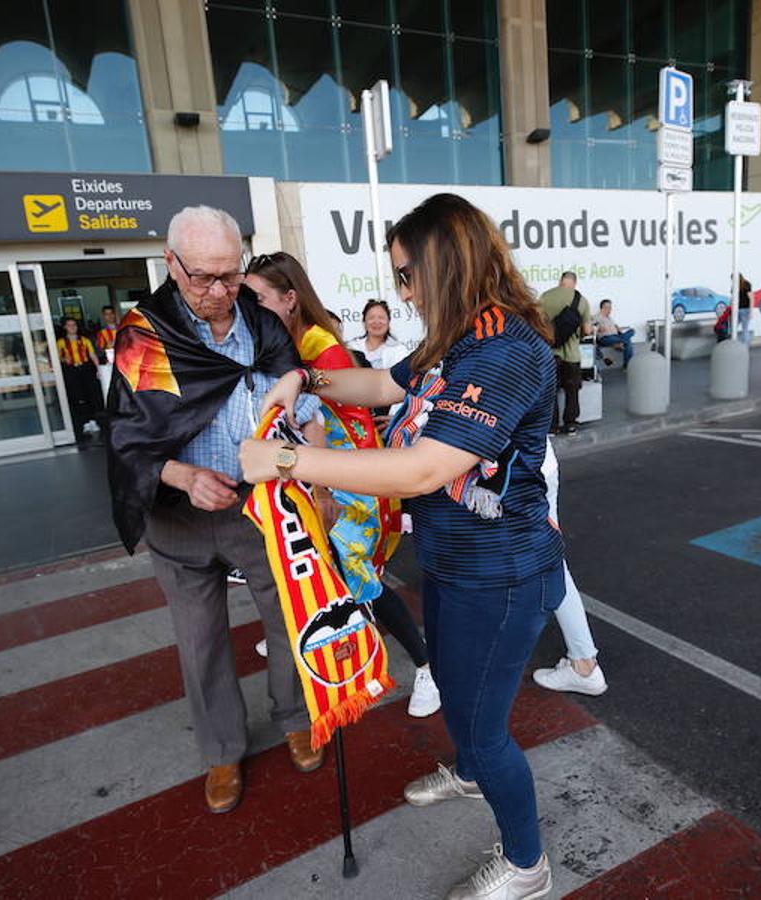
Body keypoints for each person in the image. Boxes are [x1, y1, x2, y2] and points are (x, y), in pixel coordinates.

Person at [241, 193, 563, 900]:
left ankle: (527, 865)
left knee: (483, 728)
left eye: (408, 276)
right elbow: (382, 384)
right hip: (453, 564)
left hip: (503, 576)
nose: (401, 292)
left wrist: (288, 462)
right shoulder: (458, 335)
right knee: (453, 688)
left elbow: (422, 468)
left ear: (445, 267)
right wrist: (304, 377)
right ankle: (473, 774)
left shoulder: (505, 349)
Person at [104, 206, 326, 817]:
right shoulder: (145, 335)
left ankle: (295, 716)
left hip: (259, 508)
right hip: (180, 514)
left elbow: (296, 387)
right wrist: (180, 475)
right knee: (199, 640)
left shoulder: (261, 322)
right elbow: (127, 437)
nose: (219, 292)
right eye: (202, 277)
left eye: (230, 275)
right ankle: (223, 749)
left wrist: (316, 448)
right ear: (172, 264)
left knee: (289, 619)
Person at [243, 250, 441, 719]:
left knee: (361, 578)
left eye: (257, 297)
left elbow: (352, 417)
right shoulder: (281, 342)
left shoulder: (318, 347)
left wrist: (324, 487)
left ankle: (427, 665)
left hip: (346, 482)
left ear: (290, 298)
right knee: (328, 571)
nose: (247, 307)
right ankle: (313, 634)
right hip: (316, 475)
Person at [531, 439, 607, 696]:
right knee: (549, 564)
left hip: (518, 476)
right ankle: (583, 662)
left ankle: (584, 664)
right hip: (527, 470)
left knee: (549, 564)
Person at [539, 271, 590, 435]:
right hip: (572, 355)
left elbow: (536, 324)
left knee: (549, 392)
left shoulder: (545, 297)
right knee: (572, 390)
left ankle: (551, 427)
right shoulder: (581, 301)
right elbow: (587, 330)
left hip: (548, 354)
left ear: (560, 281)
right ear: (574, 283)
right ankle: (570, 425)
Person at [56, 316, 103, 444]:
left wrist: (99, 369)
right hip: (71, 370)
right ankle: (84, 422)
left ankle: (93, 421)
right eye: (69, 325)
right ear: (65, 327)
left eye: (74, 325)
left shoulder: (84, 340)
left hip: (85, 368)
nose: (72, 328)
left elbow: (92, 355)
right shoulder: (61, 342)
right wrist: (63, 360)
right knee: (78, 397)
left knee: (90, 394)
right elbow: (57, 358)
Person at [349, 298, 411, 370]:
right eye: (371, 318)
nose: (376, 321)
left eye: (381, 318)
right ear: (364, 322)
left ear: (388, 321)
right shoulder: (353, 348)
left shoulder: (399, 349)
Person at [594, 299, 634, 369]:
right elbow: (591, 327)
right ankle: (627, 365)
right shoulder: (596, 317)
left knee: (629, 337)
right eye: (608, 307)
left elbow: (616, 327)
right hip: (605, 338)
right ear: (602, 308)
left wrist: (619, 331)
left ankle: (627, 365)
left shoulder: (610, 318)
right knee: (629, 336)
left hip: (616, 337)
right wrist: (598, 329)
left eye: (610, 307)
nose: (610, 309)